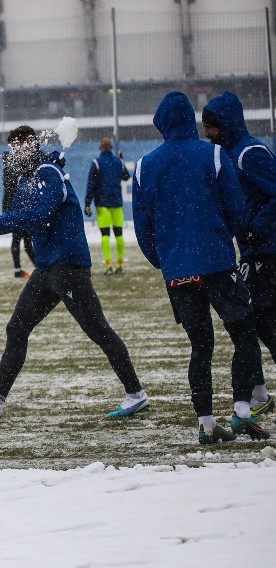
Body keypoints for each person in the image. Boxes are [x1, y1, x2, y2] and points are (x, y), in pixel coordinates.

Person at [0, 125, 149, 420]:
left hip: (68, 266)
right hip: (47, 269)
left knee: (98, 330)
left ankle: (136, 395)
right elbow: (17, 219)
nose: (15, 152)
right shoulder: (26, 180)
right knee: (16, 328)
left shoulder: (48, 172)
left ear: (32, 144)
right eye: (12, 147)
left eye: (20, 145)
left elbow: (39, 215)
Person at [133, 91, 270, 444]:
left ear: (161, 123)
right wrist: (223, 234)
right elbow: (236, 207)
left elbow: (142, 226)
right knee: (243, 333)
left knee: (201, 345)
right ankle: (242, 410)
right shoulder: (213, 154)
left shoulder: (144, 165)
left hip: (179, 270)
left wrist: (166, 261)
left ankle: (207, 424)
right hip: (216, 260)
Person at [202, 92, 275, 419]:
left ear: (225, 125)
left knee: (262, 321)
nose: (207, 133)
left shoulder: (250, 153)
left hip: (268, 251)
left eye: (211, 127)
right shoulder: (228, 154)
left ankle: (256, 397)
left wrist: (257, 228)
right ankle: (259, 394)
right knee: (257, 323)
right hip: (251, 251)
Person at [83, 138, 131, 275]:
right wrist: (122, 159)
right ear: (111, 148)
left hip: (102, 204)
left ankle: (109, 266)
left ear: (100, 149)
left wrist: (87, 203)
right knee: (119, 233)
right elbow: (126, 177)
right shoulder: (118, 162)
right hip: (117, 203)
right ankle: (120, 265)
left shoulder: (96, 163)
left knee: (105, 234)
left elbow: (91, 185)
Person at [2, 149, 35, 278]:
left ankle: (20, 269)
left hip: (12, 208)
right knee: (25, 239)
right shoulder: (15, 172)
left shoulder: (7, 171)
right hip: (17, 208)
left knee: (20, 238)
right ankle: (36, 268)